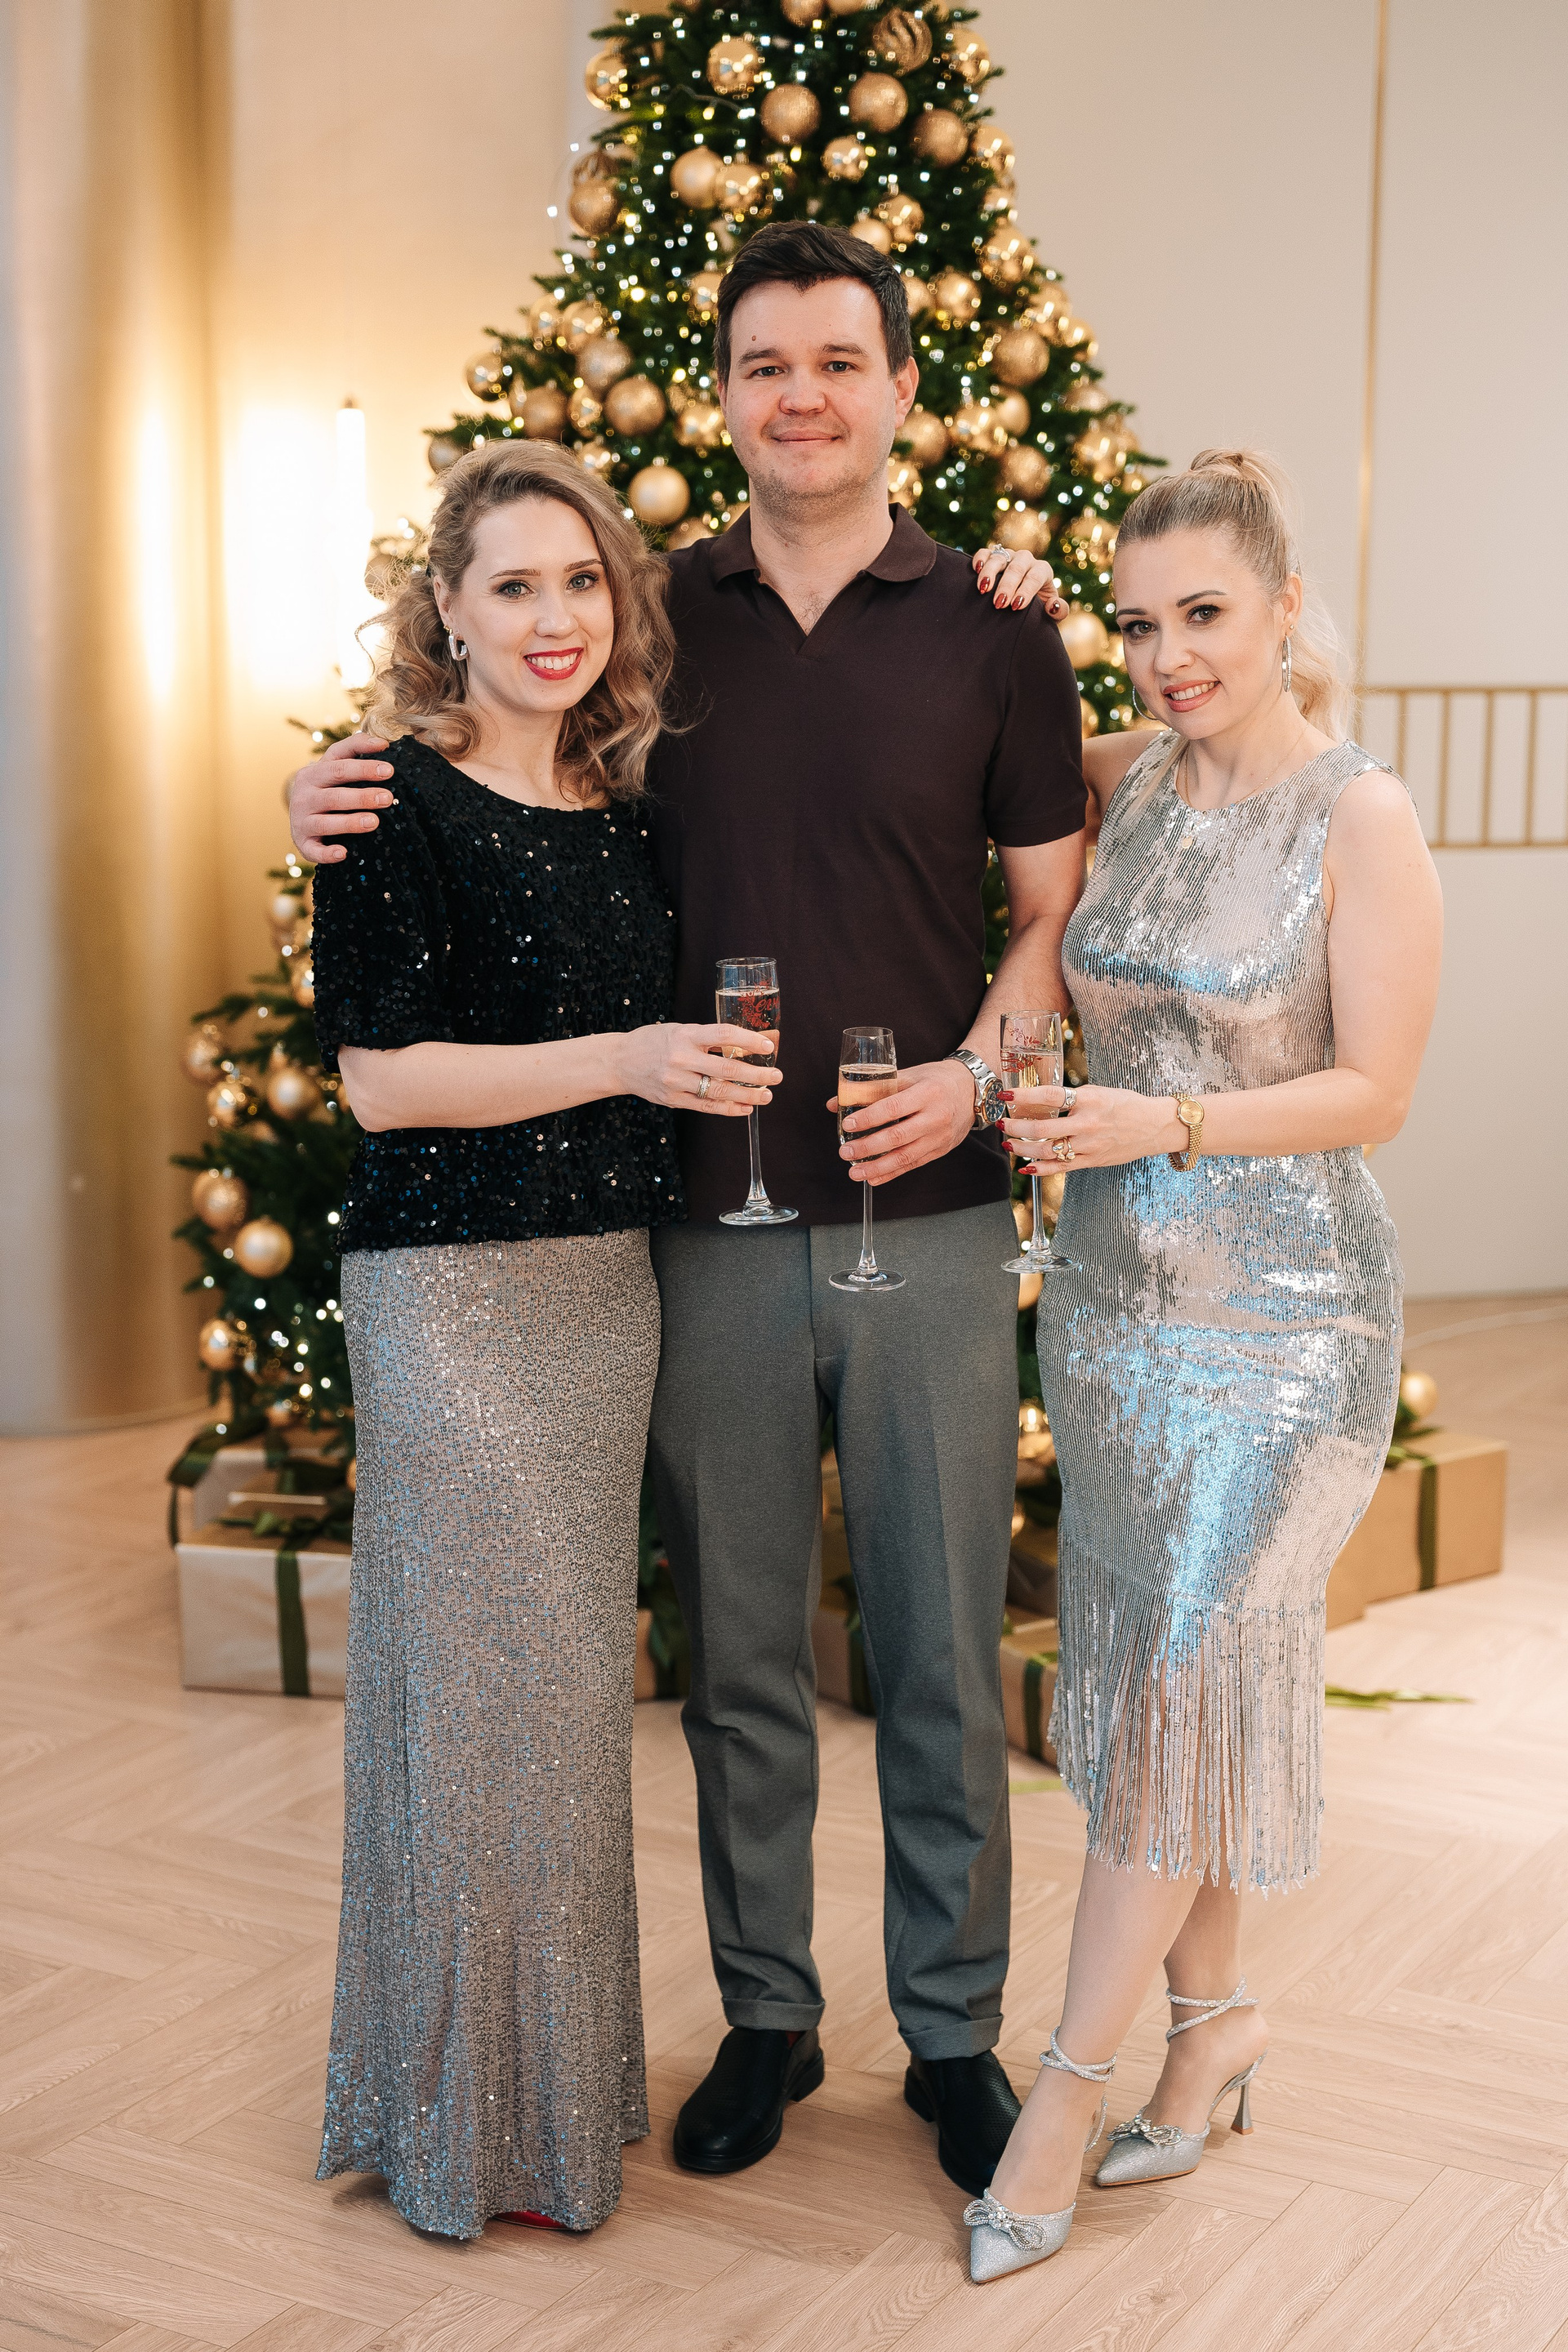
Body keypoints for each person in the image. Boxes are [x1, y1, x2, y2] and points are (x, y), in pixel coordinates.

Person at [291, 221, 1085, 2198]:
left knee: (935, 1648)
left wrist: (976, 1075)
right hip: (698, 1226)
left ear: (903, 387)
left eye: (839, 361)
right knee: (738, 1651)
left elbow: (1052, 920)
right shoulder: (649, 620)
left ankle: (956, 2032)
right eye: (764, 364)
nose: (802, 395)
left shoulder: (998, 625)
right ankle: (768, 2018)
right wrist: (319, 796)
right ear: (723, 394)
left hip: (932, 1206)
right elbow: (484, 768)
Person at [965, 449, 1442, 2283]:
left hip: (1289, 1324)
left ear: (1285, 607)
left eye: (1208, 616)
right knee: (1181, 1682)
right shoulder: (1132, 777)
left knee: (1175, 1680)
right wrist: (999, 608)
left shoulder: (1359, 814)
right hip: (1113, 1318)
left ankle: (1065, 2090)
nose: (1171, 657)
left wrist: (1159, 1119)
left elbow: (1374, 1092)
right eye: (1140, 621)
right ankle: (1216, 2024)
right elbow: (972, 761)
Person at [311, 438, 782, 2240]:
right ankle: (461, 2126)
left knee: (563, 1712)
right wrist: (630, 1061)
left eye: (581, 579)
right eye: (513, 583)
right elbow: (382, 1084)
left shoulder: (629, 801)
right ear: (447, 606)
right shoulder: (386, 801)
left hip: (604, 1296)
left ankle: (541, 2106)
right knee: (477, 1706)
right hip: (448, 1298)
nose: (553, 615)